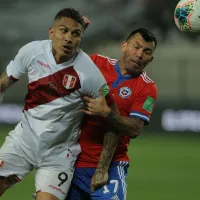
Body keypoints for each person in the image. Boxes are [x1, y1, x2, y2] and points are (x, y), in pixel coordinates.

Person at [0, 8, 113, 200]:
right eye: (63, 31)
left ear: (81, 38)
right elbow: (3, 83)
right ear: (51, 33)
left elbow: (112, 117)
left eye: (75, 34)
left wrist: (103, 166)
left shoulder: (91, 75)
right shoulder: (32, 52)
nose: (68, 38)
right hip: (22, 143)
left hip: (58, 155)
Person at [66, 28, 158, 200]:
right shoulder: (96, 62)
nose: (139, 55)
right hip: (71, 160)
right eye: (136, 47)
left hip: (112, 166)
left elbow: (135, 129)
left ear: (150, 59)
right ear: (124, 46)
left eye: (146, 52)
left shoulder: (147, 88)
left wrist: (107, 113)